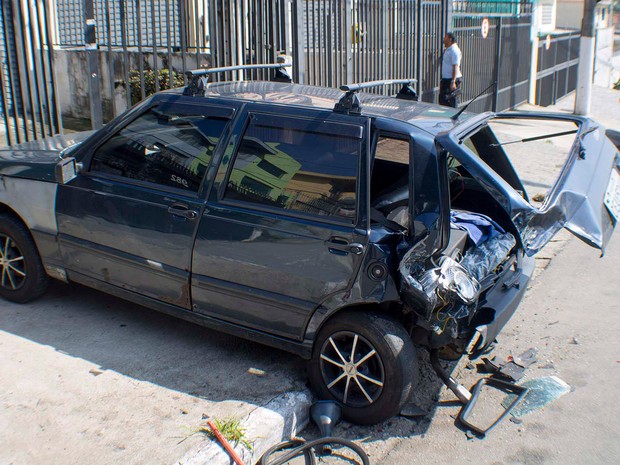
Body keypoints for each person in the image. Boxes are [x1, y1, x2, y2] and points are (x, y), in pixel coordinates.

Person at [439, 32, 462, 108]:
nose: (443, 39)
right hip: (446, 79)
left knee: (451, 101)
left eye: (445, 38)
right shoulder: (448, 49)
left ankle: (453, 118)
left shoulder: (454, 50)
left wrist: (453, 81)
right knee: (443, 101)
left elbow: (455, 66)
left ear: (450, 39)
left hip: (451, 80)